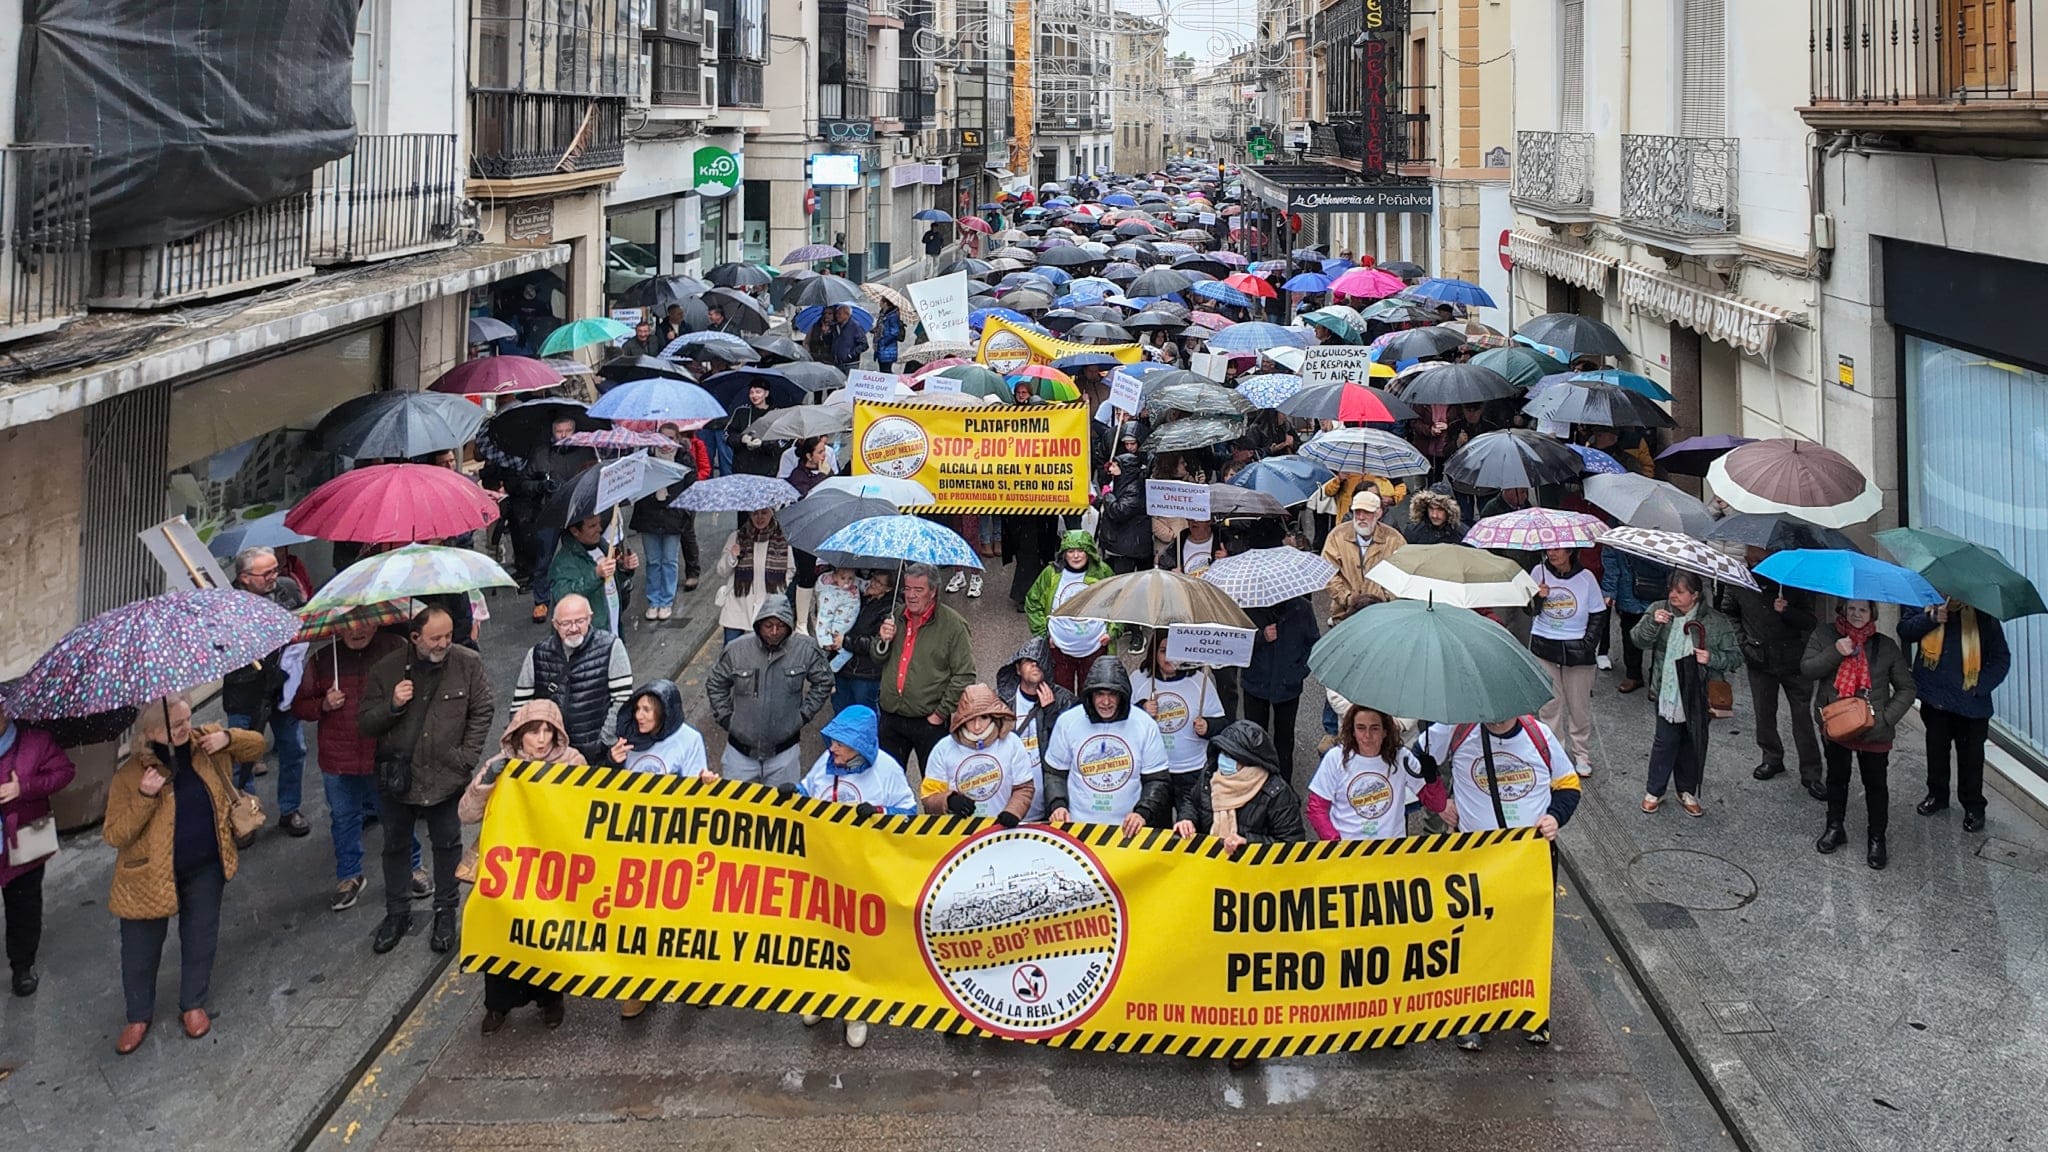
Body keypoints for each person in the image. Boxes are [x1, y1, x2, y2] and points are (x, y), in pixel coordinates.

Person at [1415, 711, 1579, 1049]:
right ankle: (1474, 1018)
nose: (1498, 714)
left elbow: (1568, 786)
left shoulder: (1539, 736)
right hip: (1476, 857)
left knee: (1529, 937)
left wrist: (1554, 817)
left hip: (1529, 858)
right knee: (1474, 936)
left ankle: (1532, 1014)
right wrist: (1438, 802)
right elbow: (1416, 760)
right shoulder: (1456, 729)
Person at [105, 697, 259, 1053]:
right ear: (153, 731)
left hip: (206, 865)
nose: (186, 727)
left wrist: (229, 739)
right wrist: (145, 796)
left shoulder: (207, 744)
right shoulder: (129, 775)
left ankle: (193, 1004)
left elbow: (258, 745)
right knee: (139, 952)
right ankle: (138, 1016)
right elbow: (115, 834)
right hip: (146, 877)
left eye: (187, 718)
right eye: (176, 725)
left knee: (200, 936)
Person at [359, 606, 496, 955]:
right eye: (436, 638)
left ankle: (445, 912)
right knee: (395, 846)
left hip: (445, 777)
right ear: (415, 637)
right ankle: (397, 913)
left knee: (447, 845)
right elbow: (365, 724)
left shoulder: (467, 663)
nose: (444, 643)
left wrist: (466, 757)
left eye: (449, 635)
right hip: (397, 779)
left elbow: (483, 708)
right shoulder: (386, 669)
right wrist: (392, 704)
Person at [788, 704, 914, 1048]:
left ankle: (855, 1010)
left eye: (839, 743)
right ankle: (823, 997)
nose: (832, 749)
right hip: (824, 867)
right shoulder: (826, 765)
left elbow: (909, 813)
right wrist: (791, 795)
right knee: (822, 937)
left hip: (863, 872)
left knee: (855, 944)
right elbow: (807, 790)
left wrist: (878, 813)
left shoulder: (887, 770)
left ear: (858, 744)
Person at [461, 700, 585, 1034]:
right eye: (533, 732)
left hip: (550, 871)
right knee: (503, 937)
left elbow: (584, 814)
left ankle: (550, 1001)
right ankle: (497, 1006)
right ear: (519, 735)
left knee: (544, 938)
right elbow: (466, 814)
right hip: (509, 871)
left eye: (548, 731)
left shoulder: (572, 762)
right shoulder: (502, 764)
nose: (541, 739)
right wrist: (486, 781)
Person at [290, 614, 424, 913]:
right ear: (336, 628)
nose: (357, 629)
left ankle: (413, 867)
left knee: (397, 816)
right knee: (344, 818)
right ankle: (349, 876)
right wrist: (322, 704)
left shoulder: (397, 649)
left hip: (384, 752)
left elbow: (422, 692)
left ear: (377, 622)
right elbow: (299, 706)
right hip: (338, 758)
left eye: (364, 621)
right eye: (348, 624)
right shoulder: (322, 659)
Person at [606, 679, 713, 1020]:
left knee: (681, 918)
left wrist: (705, 785)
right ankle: (640, 986)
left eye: (648, 710)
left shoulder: (689, 740)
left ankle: (691, 982)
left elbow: (699, 789)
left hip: (675, 845)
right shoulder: (626, 738)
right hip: (635, 847)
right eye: (637, 708)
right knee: (637, 921)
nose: (640, 716)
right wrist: (610, 761)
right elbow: (603, 788)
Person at [1805, 598, 1917, 869]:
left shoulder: (1885, 646)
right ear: (1842, 609)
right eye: (1851, 608)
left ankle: (1877, 837)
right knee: (1836, 778)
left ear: (1872, 613)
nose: (1856, 614)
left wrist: (1884, 719)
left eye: (1863, 609)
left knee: (1876, 785)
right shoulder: (1825, 634)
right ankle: (1835, 827)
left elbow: (1907, 688)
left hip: (1873, 730)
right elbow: (1807, 669)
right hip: (1836, 723)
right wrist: (1835, 651)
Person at [1631, 572, 1741, 817]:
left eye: (1680, 592)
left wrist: (1712, 658)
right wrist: (1652, 623)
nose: (1673, 596)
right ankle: (1654, 791)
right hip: (1666, 688)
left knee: (1693, 742)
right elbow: (1637, 640)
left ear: (1695, 595)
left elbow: (1735, 657)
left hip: (1699, 692)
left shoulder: (1715, 621)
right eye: (1671, 590)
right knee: (1665, 740)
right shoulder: (1659, 610)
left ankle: (1687, 790)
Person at [220, 546, 310, 838]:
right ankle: (247, 816)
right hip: (244, 694)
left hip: (282, 688)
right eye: (266, 572)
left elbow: (301, 624)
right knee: (241, 759)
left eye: (275, 569)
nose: (275, 576)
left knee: (294, 750)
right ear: (245, 577)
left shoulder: (286, 589)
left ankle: (290, 809)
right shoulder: (226, 604)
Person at [1900, 598, 2010, 834]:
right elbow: (1905, 630)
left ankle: (1974, 806)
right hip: (1935, 697)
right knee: (1936, 749)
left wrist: (1979, 687)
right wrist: (1932, 618)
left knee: (1971, 758)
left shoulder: (1982, 613)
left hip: (1971, 704)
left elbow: (2001, 658)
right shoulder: (1924, 600)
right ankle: (1937, 795)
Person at [705, 595, 835, 787]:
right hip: (739, 754)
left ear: (789, 626)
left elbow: (824, 681)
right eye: (768, 626)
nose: (774, 632)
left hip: (784, 755)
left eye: (780, 626)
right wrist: (726, 718)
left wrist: (803, 715)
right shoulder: (736, 649)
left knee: (782, 813)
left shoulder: (806, 649)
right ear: (759, 624)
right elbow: (715, 683)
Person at [1720, 563, 1823, 796]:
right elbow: (1729, 611)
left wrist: (1787, 611)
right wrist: (1744, 643)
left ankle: (1811, 771)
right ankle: (1772, 757)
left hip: (1794, 659)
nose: (1751, 551)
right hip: (1759, 658)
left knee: (1802, 716)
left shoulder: (1793, 579)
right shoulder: (1739, 579)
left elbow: (1810, 621)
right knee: (1764, 712)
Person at [1043, 656, 1172, 832]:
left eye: (1112, 694)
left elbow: (1156, 778)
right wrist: (1058, 805)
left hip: (1127, 830)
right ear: (1090, 695)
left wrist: (1142, 813)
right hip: (1078, 827)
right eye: (1100, 694)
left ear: (1123, 695)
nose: (1106, 702)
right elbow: (1054, 772)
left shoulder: (1144, 723)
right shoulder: (1068, 722)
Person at [872, 563, 979, 773]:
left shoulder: (953, 625)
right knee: (888, 783)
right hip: (891, 716)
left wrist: (940, 714)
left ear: (933, 591)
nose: (910, 595)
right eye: (907, 588)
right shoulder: (896, 615)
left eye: (918, 590)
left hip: (928, 721)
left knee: (934, 788)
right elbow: (877, 658)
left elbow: (965, 675)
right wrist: (882, 640)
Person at [0, 704, 75, 997]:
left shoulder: (35, 742)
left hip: (24, 840)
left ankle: (22, 965)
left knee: (24, 906)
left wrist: (24, 788)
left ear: (5, 711)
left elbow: (65, 772)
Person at [511, 595, 633, 764]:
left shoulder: (612, 646)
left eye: (580, 621)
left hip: (597, 755)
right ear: (555, 624)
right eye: (566, 623)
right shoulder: (537, 653)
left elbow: (622, 699)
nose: (574, 628)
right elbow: (520, 707)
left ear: (590, 618)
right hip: (550, 756)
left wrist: (604, 741)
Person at [1307, 705, 1452, 840]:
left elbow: (1437, 805)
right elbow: (1316, 807)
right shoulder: (1335, 757)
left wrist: (1432, 779)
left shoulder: (1401, 757)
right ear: (1352, 731)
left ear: (1385, 732)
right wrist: (1336, 842)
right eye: (1361, 728)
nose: (1367, 736)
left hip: (1391, 851)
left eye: (1374, 728)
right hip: (1348, 851)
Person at [1528, 546, 1607, 774]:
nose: (1552, 553)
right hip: (1545, 645)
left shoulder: (1586, 578)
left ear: (1570, 551)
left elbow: (1598, 614)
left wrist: (1588, 644)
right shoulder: (1538, 572)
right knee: (1549, 706)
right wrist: (1538, 599)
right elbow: (1528, 611)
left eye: (1558, 549)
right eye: (1549, 549)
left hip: (1578, 649)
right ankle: (1555, 755)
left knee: (1578, 705)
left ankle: (1581, 754)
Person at [1130, 648, 1229, 821]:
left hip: (1192, 770)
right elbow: (1121, 721)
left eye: (1175, 651)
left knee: (1191, 829)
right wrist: (1141, 708)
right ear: (1154, 654)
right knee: (1157, 832)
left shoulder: (1200, 681)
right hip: (1154, 771)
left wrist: (1207, 726)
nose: (1169, 657)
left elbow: (1222, 724)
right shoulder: (1138, 679)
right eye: (1162, 651)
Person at [1175, 721, 1308, 849]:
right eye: (1222, 752)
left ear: (1248, 761)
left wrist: (1248, 843)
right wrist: (1187, 819)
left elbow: (1291, 843)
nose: (1223, 759)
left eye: (1230, 756)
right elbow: (1193, 801)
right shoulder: (1211, 775)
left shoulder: (1277, 793)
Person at [919, 686, 1035, 824]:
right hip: (958, 835)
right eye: (971, 719)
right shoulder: (943, 749)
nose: (977, 726)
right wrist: (948, 801)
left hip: (1000, 831)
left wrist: (1013, 812)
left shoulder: (1012, 743)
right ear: (962, 719)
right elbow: (929, 797)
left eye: (984, 718)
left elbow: (1024, 788)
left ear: (994, 716)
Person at [634, 423, 709, 618]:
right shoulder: (645, 459)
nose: (666, 443)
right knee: (653, 561)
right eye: (662, 438)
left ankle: (666, 600)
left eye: (671, 439)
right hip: (649, 516)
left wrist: (686, 513)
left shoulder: (684, 459)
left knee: (669, 560)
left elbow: (692, 488)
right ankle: (653, 600)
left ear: (677, 440)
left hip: (674, 517)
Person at [1025, 530, 1116, 693]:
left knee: (1092, 694)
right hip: (1059, 649)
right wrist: (1044, 634)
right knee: (1061, 694)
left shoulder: (1103, 572)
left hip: (1095, 648)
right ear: (1064, 554)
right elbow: (1032, 602)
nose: (1076, 556)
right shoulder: (1051, 573)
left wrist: (1112, 632)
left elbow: (1118, 602)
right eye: (1071, 551)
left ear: (1089, 551)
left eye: (1080, 550)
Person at [1241, 593, 1319, 778]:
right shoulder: (1248, 607)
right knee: (1254, 739)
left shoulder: (1302, 608)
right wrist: (1261, 637)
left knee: (1285, 741)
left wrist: (1298, 672)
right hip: (1255, 683)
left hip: (1288, 687)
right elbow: (1236, 643)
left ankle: (1284, 787)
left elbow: (1314, 644)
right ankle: (1255, 786)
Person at [997, 637, 1075, 820]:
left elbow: (1069, 747)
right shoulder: (1000, 702)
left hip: (1049, 803)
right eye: (1028, 661)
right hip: (1010, 801)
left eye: (1040, 661)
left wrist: (1051, 713)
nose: (1035, 664)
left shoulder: (1065, 701)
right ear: (1017, 668)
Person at [1321, 490, 1405, 626]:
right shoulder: (1337, 535)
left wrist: (1383, 598)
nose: (1361, 517)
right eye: (1357, 512)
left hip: (1382, 616)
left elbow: (1402, 575)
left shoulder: (1395, 539)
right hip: (1344, 614)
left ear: (1378, 513)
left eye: (1367, 512)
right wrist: (1347, 598)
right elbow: (1326, 572)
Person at [717, 507, 798, 644]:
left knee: (761, 657)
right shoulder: (737, 537)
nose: (759, 517)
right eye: (755, 513)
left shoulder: (782, 539)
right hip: (737, 606)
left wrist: (778, 590)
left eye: (764, 513)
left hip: (767, 608)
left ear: (772, 513)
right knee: (729, 655)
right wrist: (732, 556)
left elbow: (790, 569)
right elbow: (721, 571)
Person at [548, 512, 638, 633]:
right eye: (592, 526)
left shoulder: (603, 546)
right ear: (575, 531)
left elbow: (614, 580)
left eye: (599, 523)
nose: (600, 529)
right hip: (590, 637)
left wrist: (624, 567)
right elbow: (563, 597)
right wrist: (596, 575)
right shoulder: (563, 562)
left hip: (613, 626)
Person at [1599, 545, 1671, 691]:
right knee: (1630, 634)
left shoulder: (1663, 536)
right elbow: (1610, 563)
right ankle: (1633, 675)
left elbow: (1668, 565)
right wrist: (1609, 591)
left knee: (1661, 637)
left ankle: (1656, 680)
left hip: (1659, 590)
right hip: (1628, 591)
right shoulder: (1619, 533)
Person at [834, 569, 894, 713]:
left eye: (879, 583)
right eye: (874, 578)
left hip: (865, 674)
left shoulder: (890, 609)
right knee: (841, 712)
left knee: (863, 715)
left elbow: (876, 644)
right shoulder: (862, 596)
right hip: (844, 667)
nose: (872, 583)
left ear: (888, 588)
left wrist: (846, 641)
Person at [1098, 452, 1153, 573]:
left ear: (1125, 469)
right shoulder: (1121, 483)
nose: (1111, 469)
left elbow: (1119, 511)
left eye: (1114, 466)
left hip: (1128, 547)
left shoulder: (1134, 488)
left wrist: (1107, 496)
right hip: (1119, 543)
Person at [726, 384, 787, 477]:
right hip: (742, 468)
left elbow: (782, 443)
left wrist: (762, 444)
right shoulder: (741, 412)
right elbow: (728, 436)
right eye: (751, 392)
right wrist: (741, 439)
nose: (754, 395)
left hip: (767, 470)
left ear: (766, 393)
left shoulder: (777, 414)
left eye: (758, 392)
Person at [874, 299, 904, 375]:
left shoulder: (892, 316)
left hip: (887, 349)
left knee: (886, 372)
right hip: (880, 348)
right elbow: (881, 328)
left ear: (885, 303)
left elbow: (894, 332)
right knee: (882, 371)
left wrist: (883, 342)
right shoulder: (882, 314)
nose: (879, 303)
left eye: (881, 301)